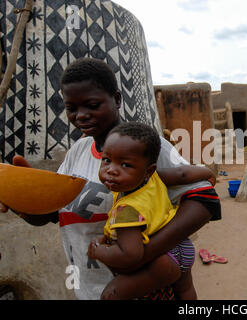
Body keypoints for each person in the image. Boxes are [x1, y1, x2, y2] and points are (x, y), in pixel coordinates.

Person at [0, 57, 221, 300]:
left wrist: (141, 255)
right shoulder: (78, 153)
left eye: (92, 105)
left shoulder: (143, 148)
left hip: (142, 289)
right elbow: (54, 213)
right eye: (72, 108)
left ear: (116, 99)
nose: (81, 115)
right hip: (88, 289)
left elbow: (205, 202)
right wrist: (21, 199)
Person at [88, 121, 215, 299]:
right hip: (182, 248)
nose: (111, 170)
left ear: (148, 170)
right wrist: (207, 172)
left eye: (125, 165)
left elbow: (130, 255)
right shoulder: (153, 179)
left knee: (110, 295)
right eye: (107, 160)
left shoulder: (127, 210)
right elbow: (182, 174)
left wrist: (98, 250)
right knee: (185, 291)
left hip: (161, 262)